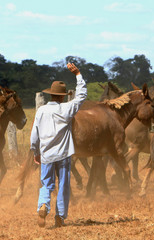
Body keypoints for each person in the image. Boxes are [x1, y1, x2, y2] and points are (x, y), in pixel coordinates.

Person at [30, 62, 87, 228]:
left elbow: (34, 134)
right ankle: (60, 216)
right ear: (62, 97)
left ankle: (43, 205)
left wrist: (35, 152)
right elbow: (82, 96)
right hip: (63, 155)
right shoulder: (67, 109)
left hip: (46, 154)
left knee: (46, 183)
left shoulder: (41, 111)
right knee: (63, 184)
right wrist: (77, 74)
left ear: (51, 95)